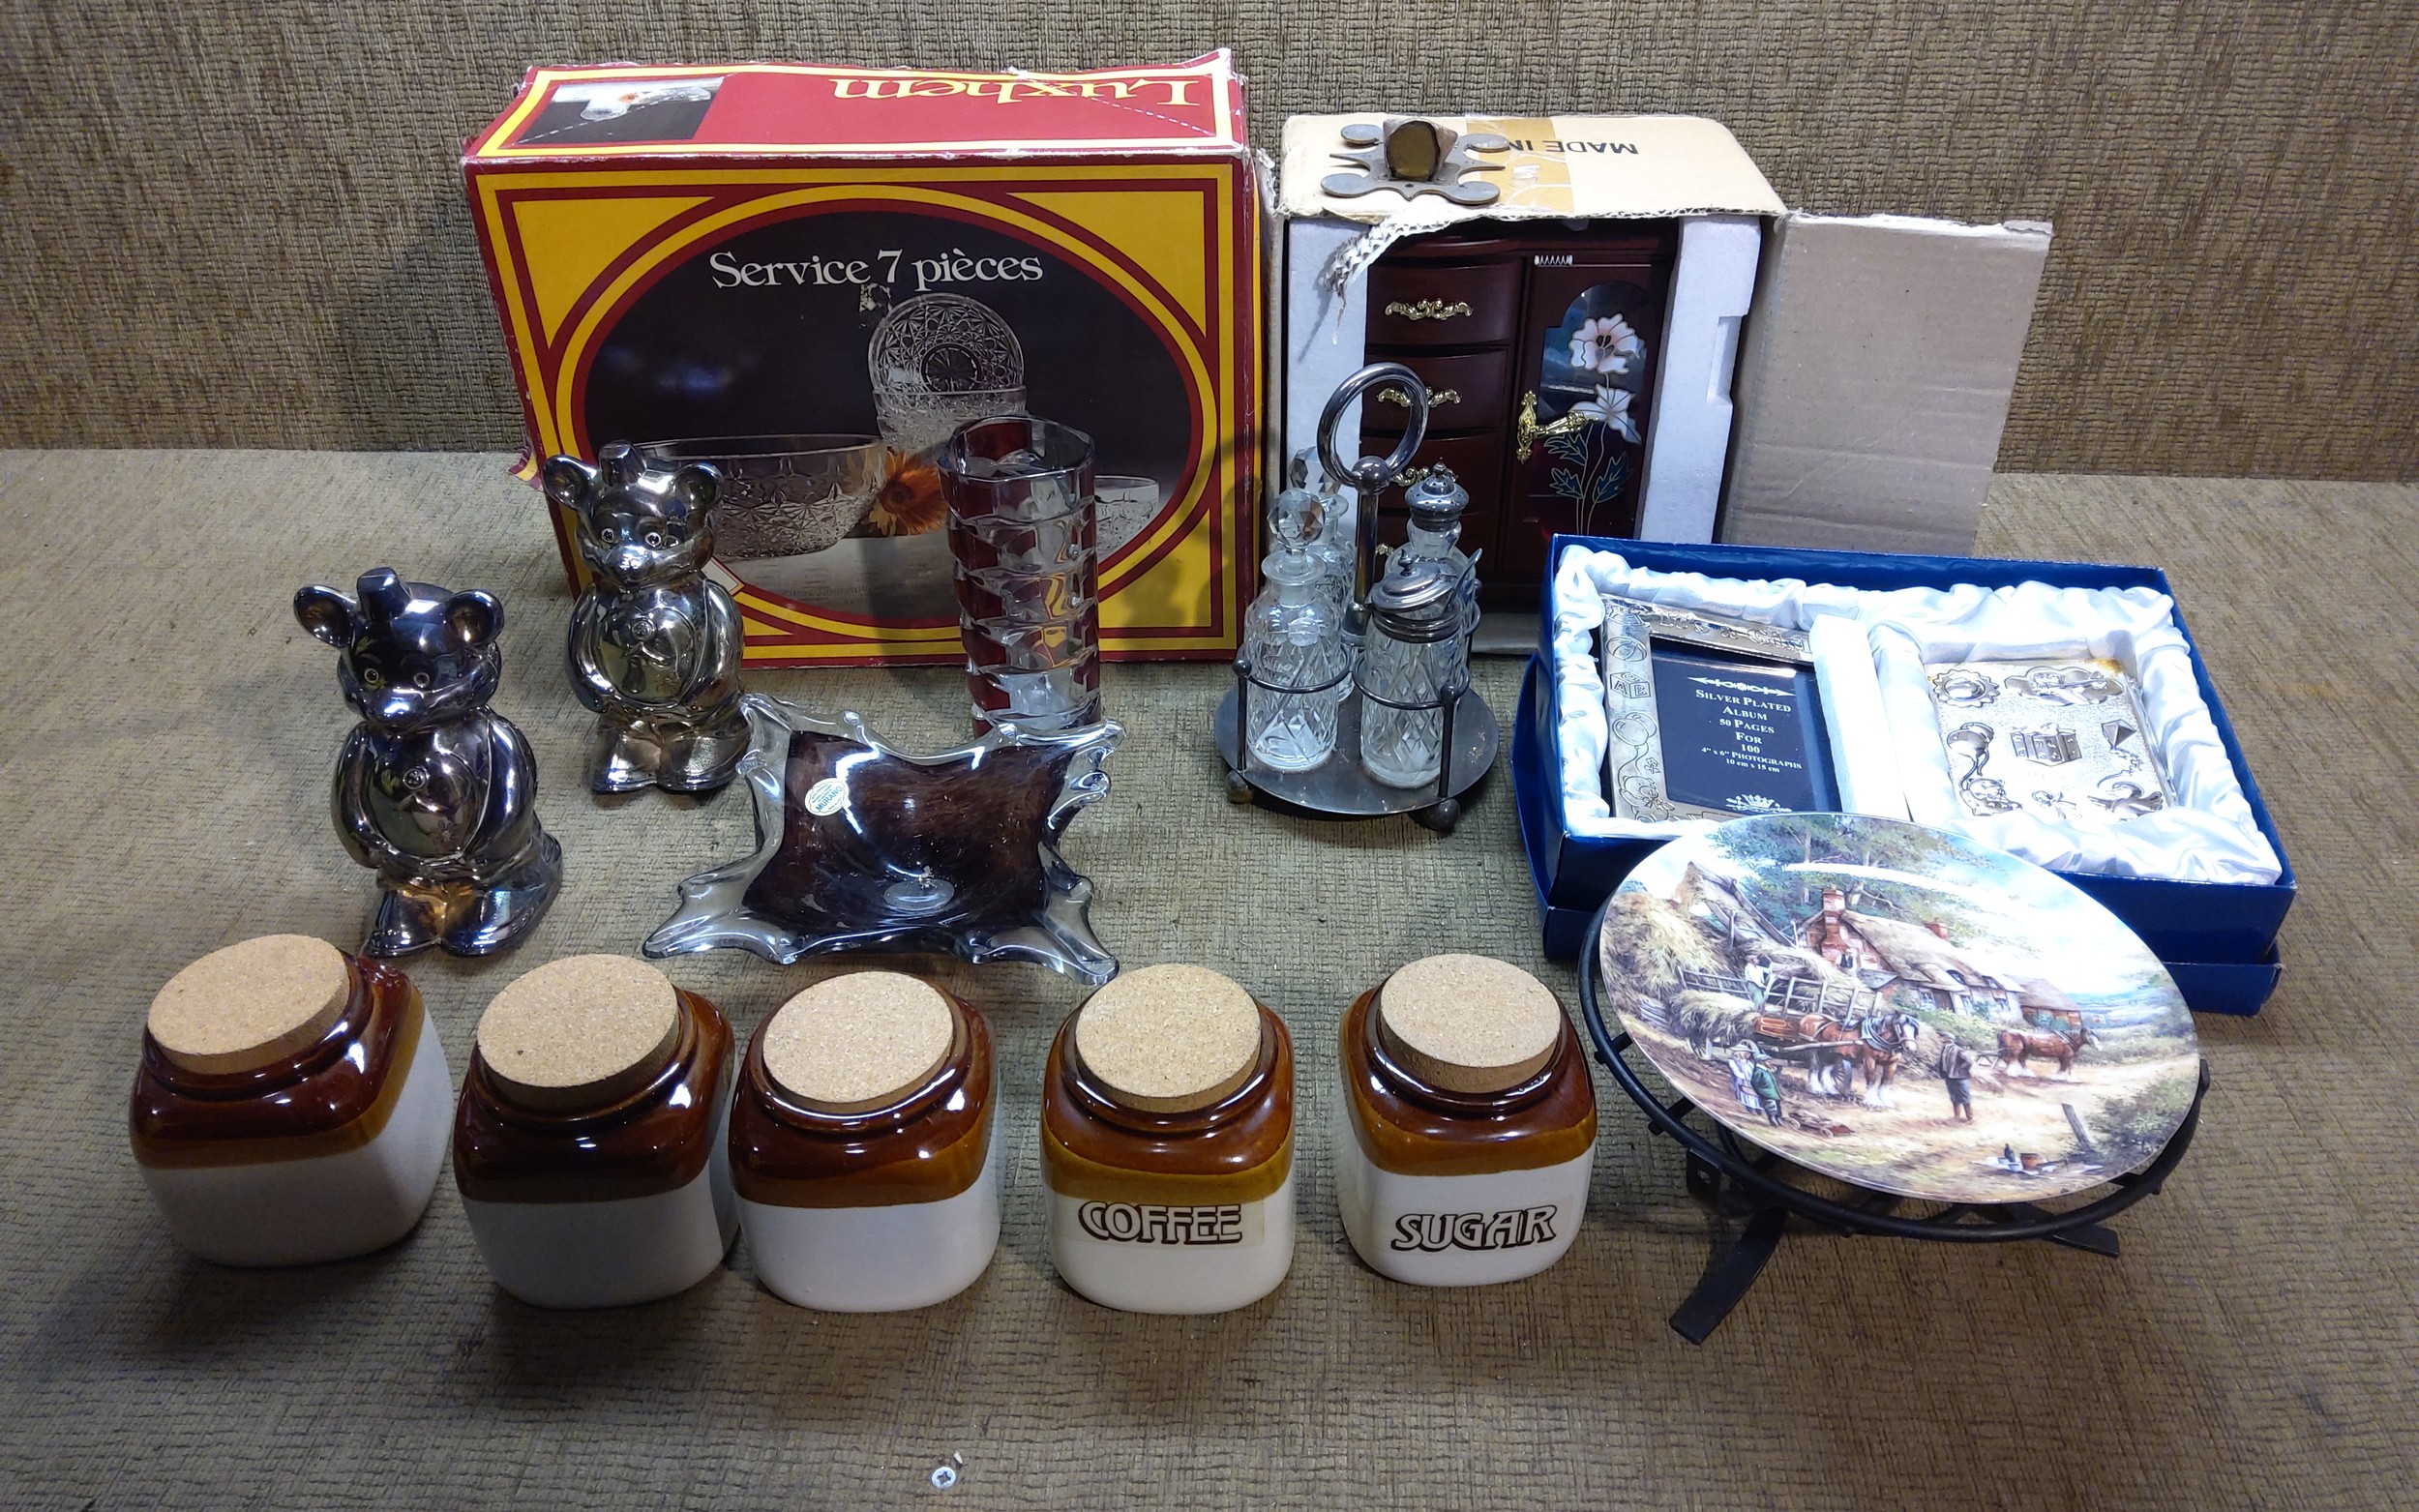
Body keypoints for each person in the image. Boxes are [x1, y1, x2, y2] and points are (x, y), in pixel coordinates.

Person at [1938, 1037, 1976, 1122]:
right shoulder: (1944, 1049)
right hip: (1949, 1077)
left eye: (1941, 1037)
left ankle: (1970, 1118)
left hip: (1961, 1078)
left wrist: (1959, 1069)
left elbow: (1969, 1061)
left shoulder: (1957, 1049)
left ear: (1948, 1039)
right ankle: (1957, 1117)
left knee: (1965, 1097)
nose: (1939, 1039)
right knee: (1954, 1097)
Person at [1749, 1052, 1784, 1127]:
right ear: (1761, 1062)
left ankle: (1778, 1118)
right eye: (1768, 1062)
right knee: (1770, 1105)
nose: (1770, 1063)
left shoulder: (1766, 1070)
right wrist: (1760, 1091)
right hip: (1766, 1093)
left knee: (1777, 1105)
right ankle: (1772, 1119)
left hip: (1773, 1092)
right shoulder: (1759, 1071)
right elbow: (1754, 1082)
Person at [1726, 1044, 1760, 1115]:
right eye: (1746, 1053)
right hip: (1741, 1081)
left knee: (1754, 1094)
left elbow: (1754, 1071)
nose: (1748, 1055)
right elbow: (1736, 1072)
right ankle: (1749, 1108)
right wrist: (1746, 1078)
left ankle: (1757, 1108)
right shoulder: (1732, 1061)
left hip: (1750, 1081)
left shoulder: (1749, 1063)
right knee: (1745, 1093)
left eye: (1749, 1053)